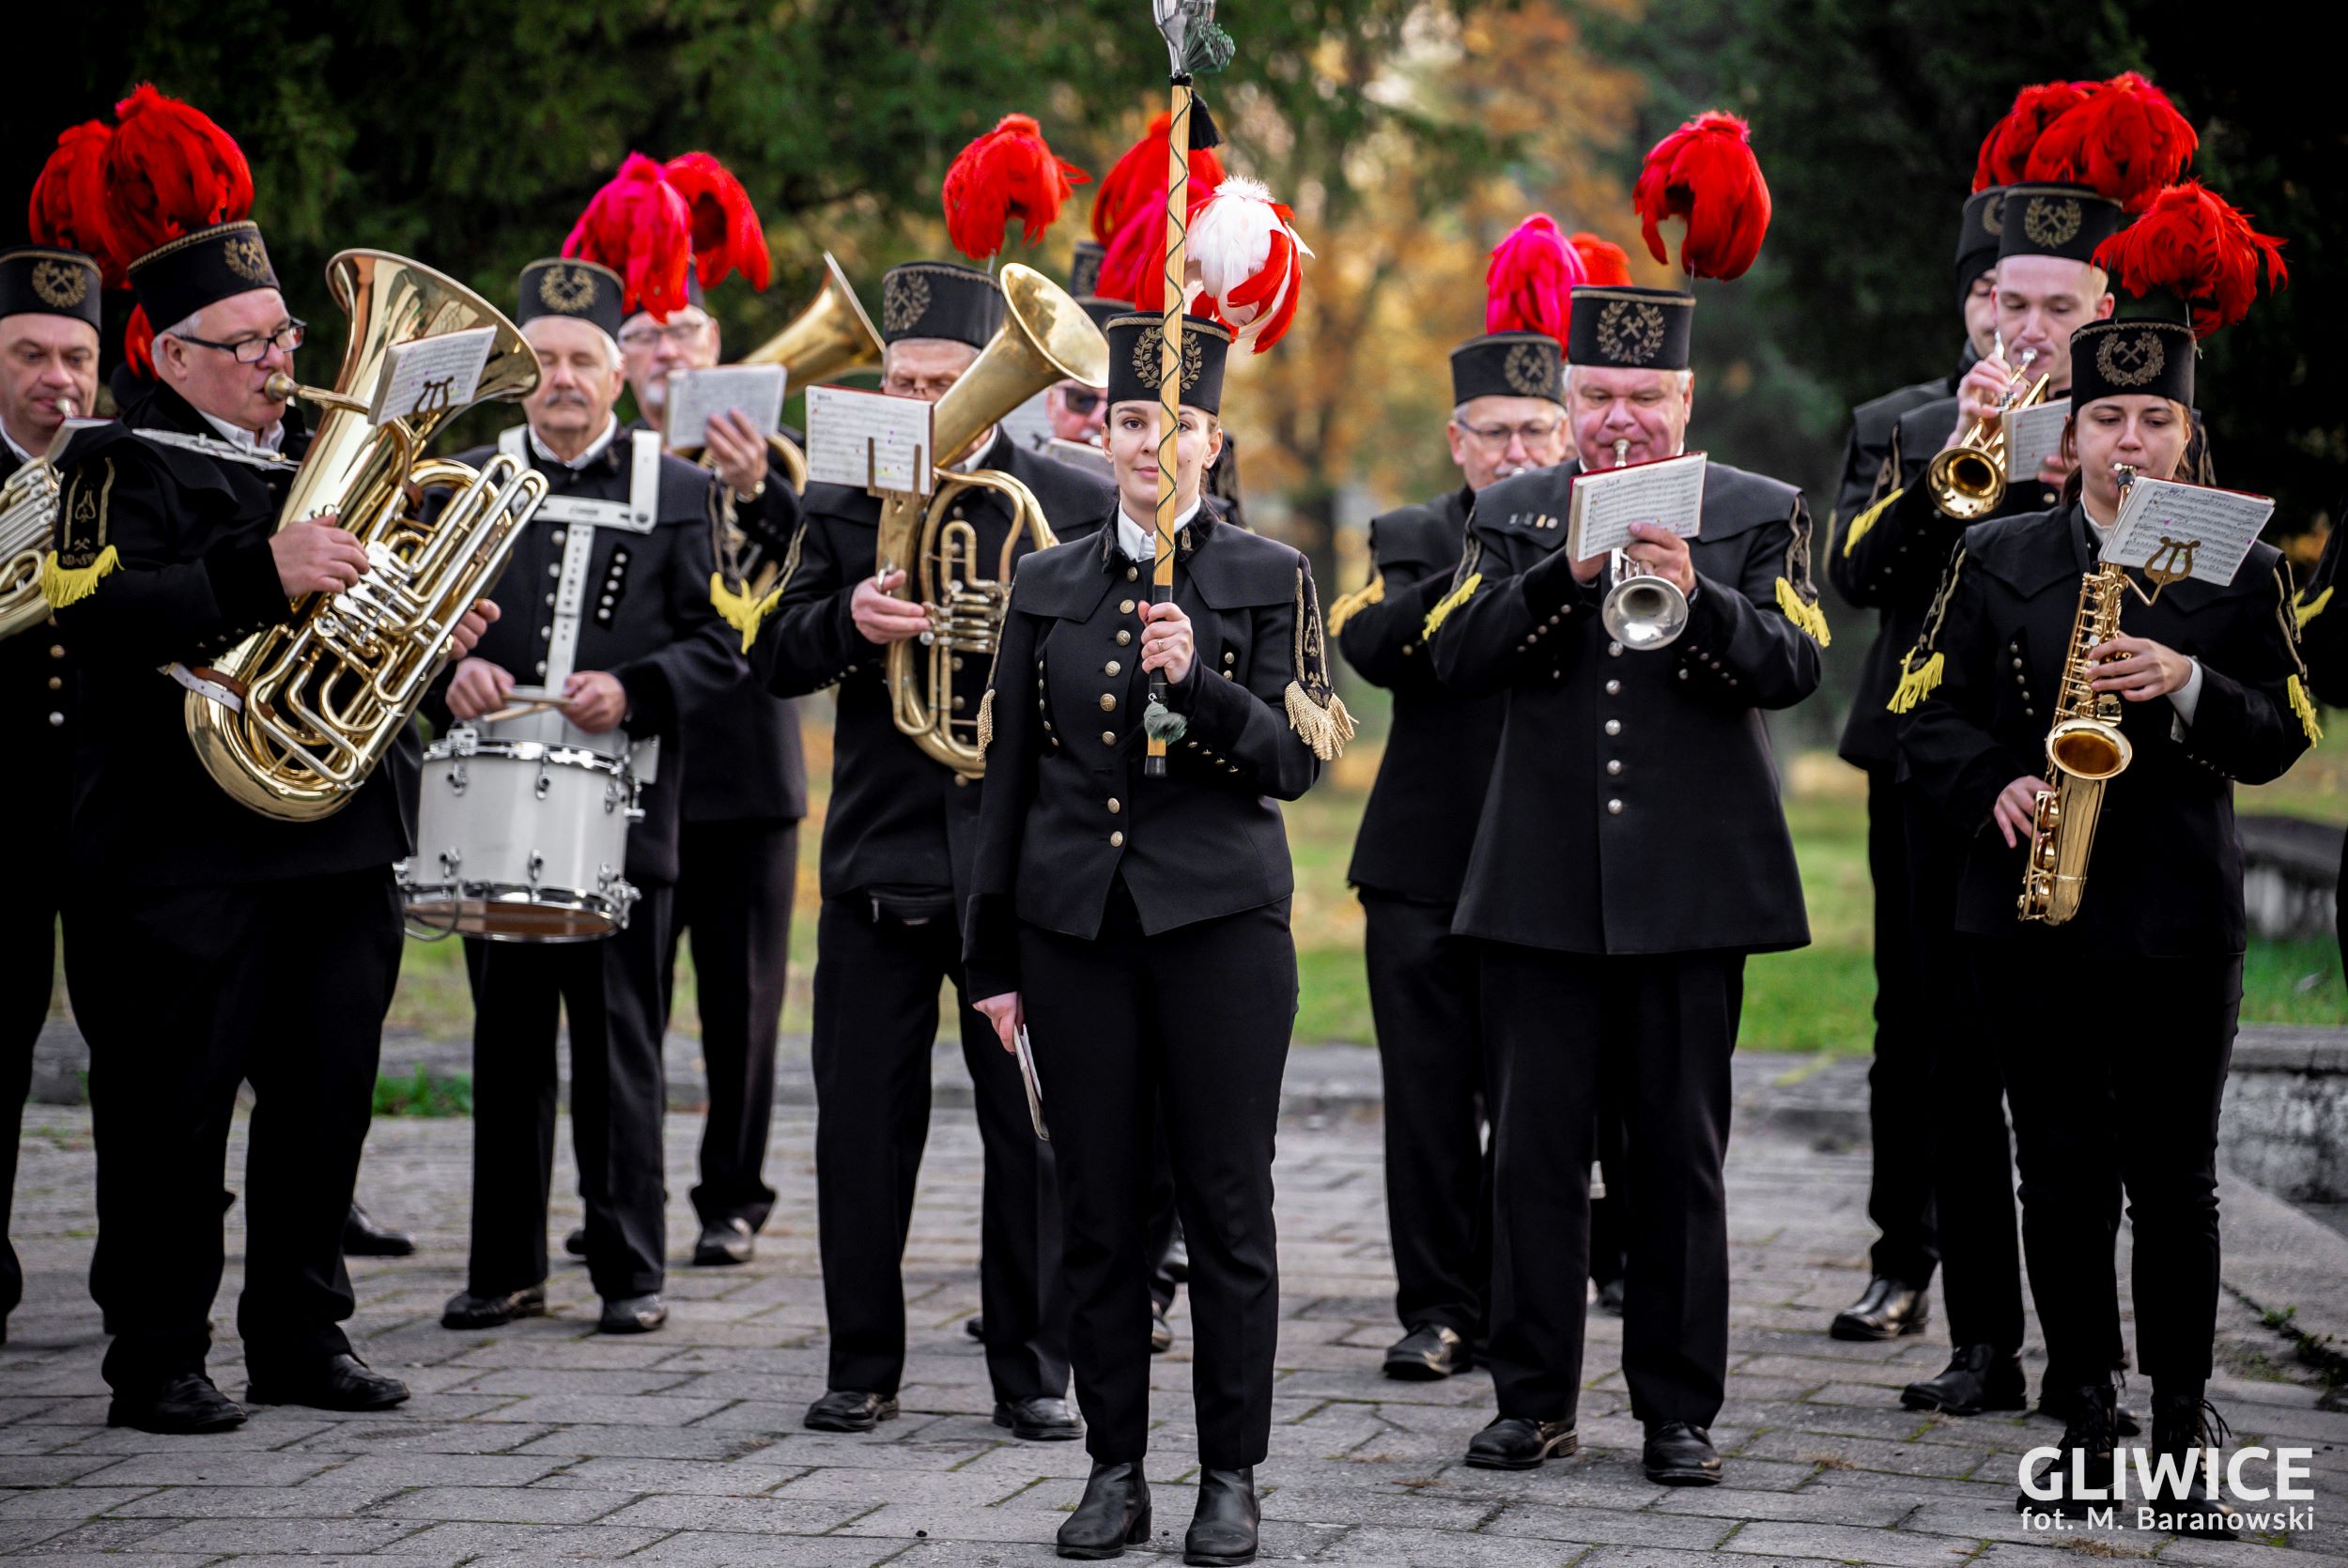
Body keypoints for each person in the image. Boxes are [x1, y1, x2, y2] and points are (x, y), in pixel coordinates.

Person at [53, 198, 490, 1430]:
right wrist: (265, 570)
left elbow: (352, 631)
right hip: (178, 846)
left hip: (334, 832)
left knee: (325, 1093)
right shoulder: (111, 461)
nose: (278, 362)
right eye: (244, 345)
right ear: (169, 354)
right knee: (173, 1108)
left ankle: (301, 1329)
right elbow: (95, 615)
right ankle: (157, 1354)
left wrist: (423, 632)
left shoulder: (318, 456)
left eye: (284, 336)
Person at [1899, 298, 2306, 1535]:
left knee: (2176, 1180)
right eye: (2109, 417)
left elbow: (2285, 731)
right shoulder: (1999, 555)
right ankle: (2085, 1403)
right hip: (2030, 909)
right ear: (2066, 437)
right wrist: (1996, 782)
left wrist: (2185, 679)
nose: (2132, 440)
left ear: (2188, 434)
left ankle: (2181, 1421)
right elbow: (1925, 715)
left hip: (2177, 912)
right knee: (2060, 1171)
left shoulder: (2239, 559)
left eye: (2157, 417)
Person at [965, 310, 1352, 1563]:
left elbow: (1300, 762)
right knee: (1098, 1210)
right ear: (1108, 432)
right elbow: (1006, 782)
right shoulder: (1046, 582)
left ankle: (1229, 1473)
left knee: (1229, 1206)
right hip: (1076, 929)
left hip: (1221, 930)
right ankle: (1114, 1465)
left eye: (1178, 423)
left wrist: (1206, 685)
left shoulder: (1267, 574)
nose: (1153, 443)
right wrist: (990, 964)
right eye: (1133, 420)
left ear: (1212, 437)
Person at [1429, 282, 1825, 1485]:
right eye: (1596, 396)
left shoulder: (1758, 511)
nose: (1618, 421)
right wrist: (1562, 572)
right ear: (1566, 398)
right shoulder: (1510, 510)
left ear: (1685, 399)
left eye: (1643, 397)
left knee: (1675, 1159)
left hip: (1692, 891)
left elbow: (1796, 659)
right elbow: (1451, 652)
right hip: (1540, 886)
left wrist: (1695, 588)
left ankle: (1675, 1409)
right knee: (1532, 1157)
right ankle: (1532, 1397)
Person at [749, 258, 1111, 1441]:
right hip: (881, 857)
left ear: (996, 390)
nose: (917, 400)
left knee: (1034, 1129)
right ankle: (861, 1363)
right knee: (860, 1123)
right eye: (900, 379)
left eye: (944, 381)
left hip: (1019, 865)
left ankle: (1033, 1371)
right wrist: (846, 623)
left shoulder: (1066, 492)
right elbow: (774, 655)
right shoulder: (846, 498)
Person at [434, 256, 743, 1337]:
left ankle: (630, 1268)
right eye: (544, 360)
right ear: (519, 373)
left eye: (583, 360)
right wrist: (445, 673)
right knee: (506, 1039)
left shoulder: (683, 488)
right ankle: (505, 1266)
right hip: (490, 809)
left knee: (619, 1044)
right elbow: (404, 624)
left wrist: (638, 686)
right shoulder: (461, 481)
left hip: (624, 807)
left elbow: (723, 644)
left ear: (618, 375)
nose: (562, 378)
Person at [1331, 322, 1568, 1381]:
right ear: (1456, 441)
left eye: (1535, 429)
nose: (1515, 451)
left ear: (1566, 433)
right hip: (1423, 861)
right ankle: (1435, 1306)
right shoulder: (1413, 531)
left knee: (1535, 1105)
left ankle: (1523, 1303)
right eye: (1494, 433)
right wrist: (1491, 553)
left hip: (1545, 859)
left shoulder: (1605, 533)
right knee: (1427, 1102)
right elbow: (1379, 650)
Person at [1818, 186, 2023, 1364]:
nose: (2011, 317)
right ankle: (1905, 1257)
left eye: (2033, 297)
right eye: (1991, 293)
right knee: (1918, 1012)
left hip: (2054, 742)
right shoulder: (1900, 419)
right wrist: (1954, 459)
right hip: (1915, 747)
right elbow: (1857, 571)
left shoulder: (2116, 416)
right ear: (1966, 300)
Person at [597, 173, 810, 1270]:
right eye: (643, 333)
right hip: (624, 763)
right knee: (622, 1000)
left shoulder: (768, 462)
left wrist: (760, 488)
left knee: (741, 1002)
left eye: (683, 328)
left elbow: (805, 590)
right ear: (618, 355)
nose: (667, 350)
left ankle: (732, 1195)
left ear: (718, 341)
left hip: (740, 772)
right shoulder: (599, 457)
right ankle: (616, 1197)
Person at [0, 244, 100, 1345]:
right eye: (30, 351)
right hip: (6, 820)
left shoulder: (119, 473)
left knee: (144, 1069)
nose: (57, 378)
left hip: (112, 813)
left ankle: (145, 1314)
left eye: (75, 354)